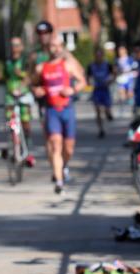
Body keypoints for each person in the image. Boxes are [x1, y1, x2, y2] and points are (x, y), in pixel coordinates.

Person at [32, 36, 86, 195]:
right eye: (52, 46)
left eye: (57, 45)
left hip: (67, 109)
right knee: (56, 145)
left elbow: (82, 81)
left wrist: (73, 90)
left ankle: (64, 166)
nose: (54, 48)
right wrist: (37, 90)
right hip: (51, 110)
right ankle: (59, 181)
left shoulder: (67, 65)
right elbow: (33, 83)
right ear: (48, 48)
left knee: (68, 148)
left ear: (62, 47)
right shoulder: (41, 67)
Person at [4, 36, 35, 165]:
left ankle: (28, 151)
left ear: (21, 47)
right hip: (11, 96)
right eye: (12, 45)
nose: (14, 48)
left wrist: (21, 86)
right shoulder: (7, 62)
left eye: (17, 45)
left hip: (23, 95)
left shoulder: (25, 60)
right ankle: (15, 150)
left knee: (26, 124)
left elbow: (30, 76)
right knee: (11, 123)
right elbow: (5, 78)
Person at [87, 48, 115, 138]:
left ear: (102, 56)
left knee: (107, 109)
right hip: (97, 90)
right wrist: (89, 82)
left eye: (100, 55)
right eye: (97, 55)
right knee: (98, 110)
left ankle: (108, 114)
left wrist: (110, 81)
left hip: (105, 89)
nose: (98, 57)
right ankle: (101, 130)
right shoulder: (91, 66)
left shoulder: (107, 65)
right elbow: (88, 77)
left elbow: (114, 74)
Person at [115, 45, 136, 112]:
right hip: (121, 79)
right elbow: (115, 70)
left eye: (122, 50)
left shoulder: (130, 59)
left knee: (130, 94)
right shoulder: (117, 60)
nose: (121, 52)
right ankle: (122, 109)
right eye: (119, 51)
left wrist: (129, 71)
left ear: (125, 51)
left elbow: (135, 68)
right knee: (122, 93)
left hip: (129, 79)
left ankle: (132, 108)